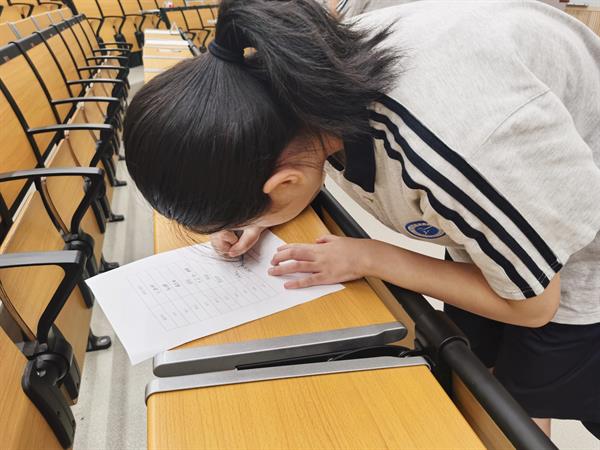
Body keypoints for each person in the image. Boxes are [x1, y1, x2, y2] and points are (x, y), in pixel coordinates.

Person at [124, 0, 600, 439]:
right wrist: (255, 213)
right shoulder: (298, 88)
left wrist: (371, 257)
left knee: (521, 400)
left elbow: (532, 307)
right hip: (503, 197)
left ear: (284, 182)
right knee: (476, 366)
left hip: (579, 243)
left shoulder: (453, 150)